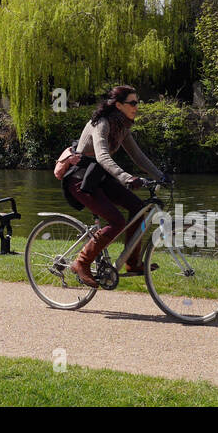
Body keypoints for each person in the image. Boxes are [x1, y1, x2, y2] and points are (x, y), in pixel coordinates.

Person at [66, 85, 167, 287]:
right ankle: (81, 262)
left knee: (139, 208)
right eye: (133, 102)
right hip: (80, 180)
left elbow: (138, 156)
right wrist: (126, 177)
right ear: (119, 105)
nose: (137, 106)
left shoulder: (122, 127)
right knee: (116, 221)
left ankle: (132, 261)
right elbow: (102, 155)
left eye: (137, 102)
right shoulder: (101, 124)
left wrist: (161, 176)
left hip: (100, 177)